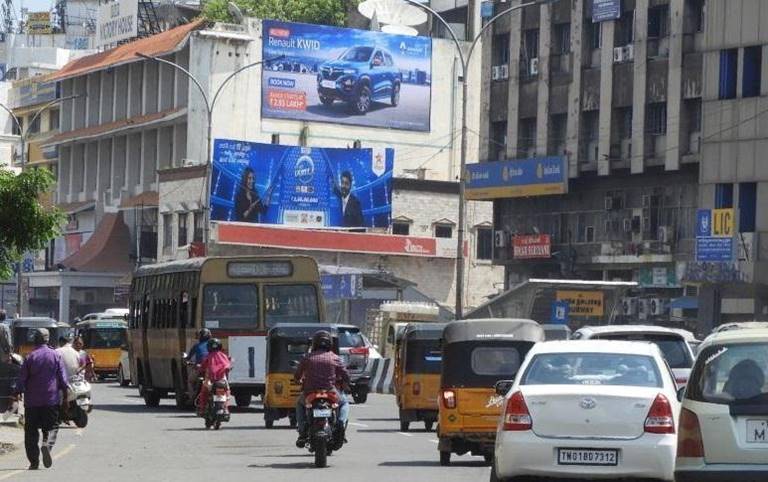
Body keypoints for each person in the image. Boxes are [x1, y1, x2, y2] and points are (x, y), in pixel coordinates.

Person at [14, 328, 68, 470]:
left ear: (35, 340)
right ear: (47, 339)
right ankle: (47, 445)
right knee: (51, 428)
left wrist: (17, 392)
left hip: (32, 402)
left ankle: (34, 462)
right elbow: (63, 379)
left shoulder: (30, 357)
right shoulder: (56, 356)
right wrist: (66, 397)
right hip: (51, 400)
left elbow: (22, 379)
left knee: (31, 432)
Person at [293, 330, 350, 448]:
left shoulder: (307, 358)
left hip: (310, 393)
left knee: (299, 404)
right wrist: (347, 382)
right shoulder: (335, 358)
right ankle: (340, 422)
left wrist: (298, 380)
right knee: (344, 402)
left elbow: (297, 375)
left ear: (314, 344)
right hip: (330, 391)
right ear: (330, 344)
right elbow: (346, 375)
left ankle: (302, 432)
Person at [196, 338, 231, 416]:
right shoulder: (224, 355)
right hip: (222, 379)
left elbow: (202, 367)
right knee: (227, 392)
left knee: (204, 392)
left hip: (210, 379)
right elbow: (228, 365)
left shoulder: (208, 356)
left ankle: (202, 409)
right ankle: (226, 409)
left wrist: (199, 368)